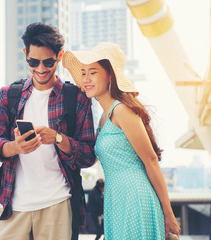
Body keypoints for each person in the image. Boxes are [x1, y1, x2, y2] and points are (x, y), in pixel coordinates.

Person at [0, 22, 96, 240]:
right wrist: (15, 147)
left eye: (48, 62)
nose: (41, 69)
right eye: (33, 62)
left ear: (60, 56)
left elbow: (89, 155)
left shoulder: (76, 99)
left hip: (57, 204)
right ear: (25, 53)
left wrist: (58, 138)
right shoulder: (7, 96)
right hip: (12, 207)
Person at [63, 42, 181, 240]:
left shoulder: (121, 110)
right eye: (83, 73)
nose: (86, 79)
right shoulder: (104, 116)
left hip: (134, 195)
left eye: (93, 72)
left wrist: (168, 213)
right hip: (116, 199)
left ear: (110, 76)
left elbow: (150, 160)